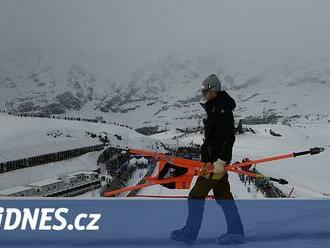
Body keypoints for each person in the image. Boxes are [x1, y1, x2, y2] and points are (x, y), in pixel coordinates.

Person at [170, 74, 244, 245]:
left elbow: (228, 139)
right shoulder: (215, 107)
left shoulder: (222, 111)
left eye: (205, 90)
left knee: (195, 196)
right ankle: (236, 232)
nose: (203, 93)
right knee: (223, 197)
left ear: (213, 90)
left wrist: (221, 162)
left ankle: (189, 234)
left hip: (215, 165)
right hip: (212, 163)